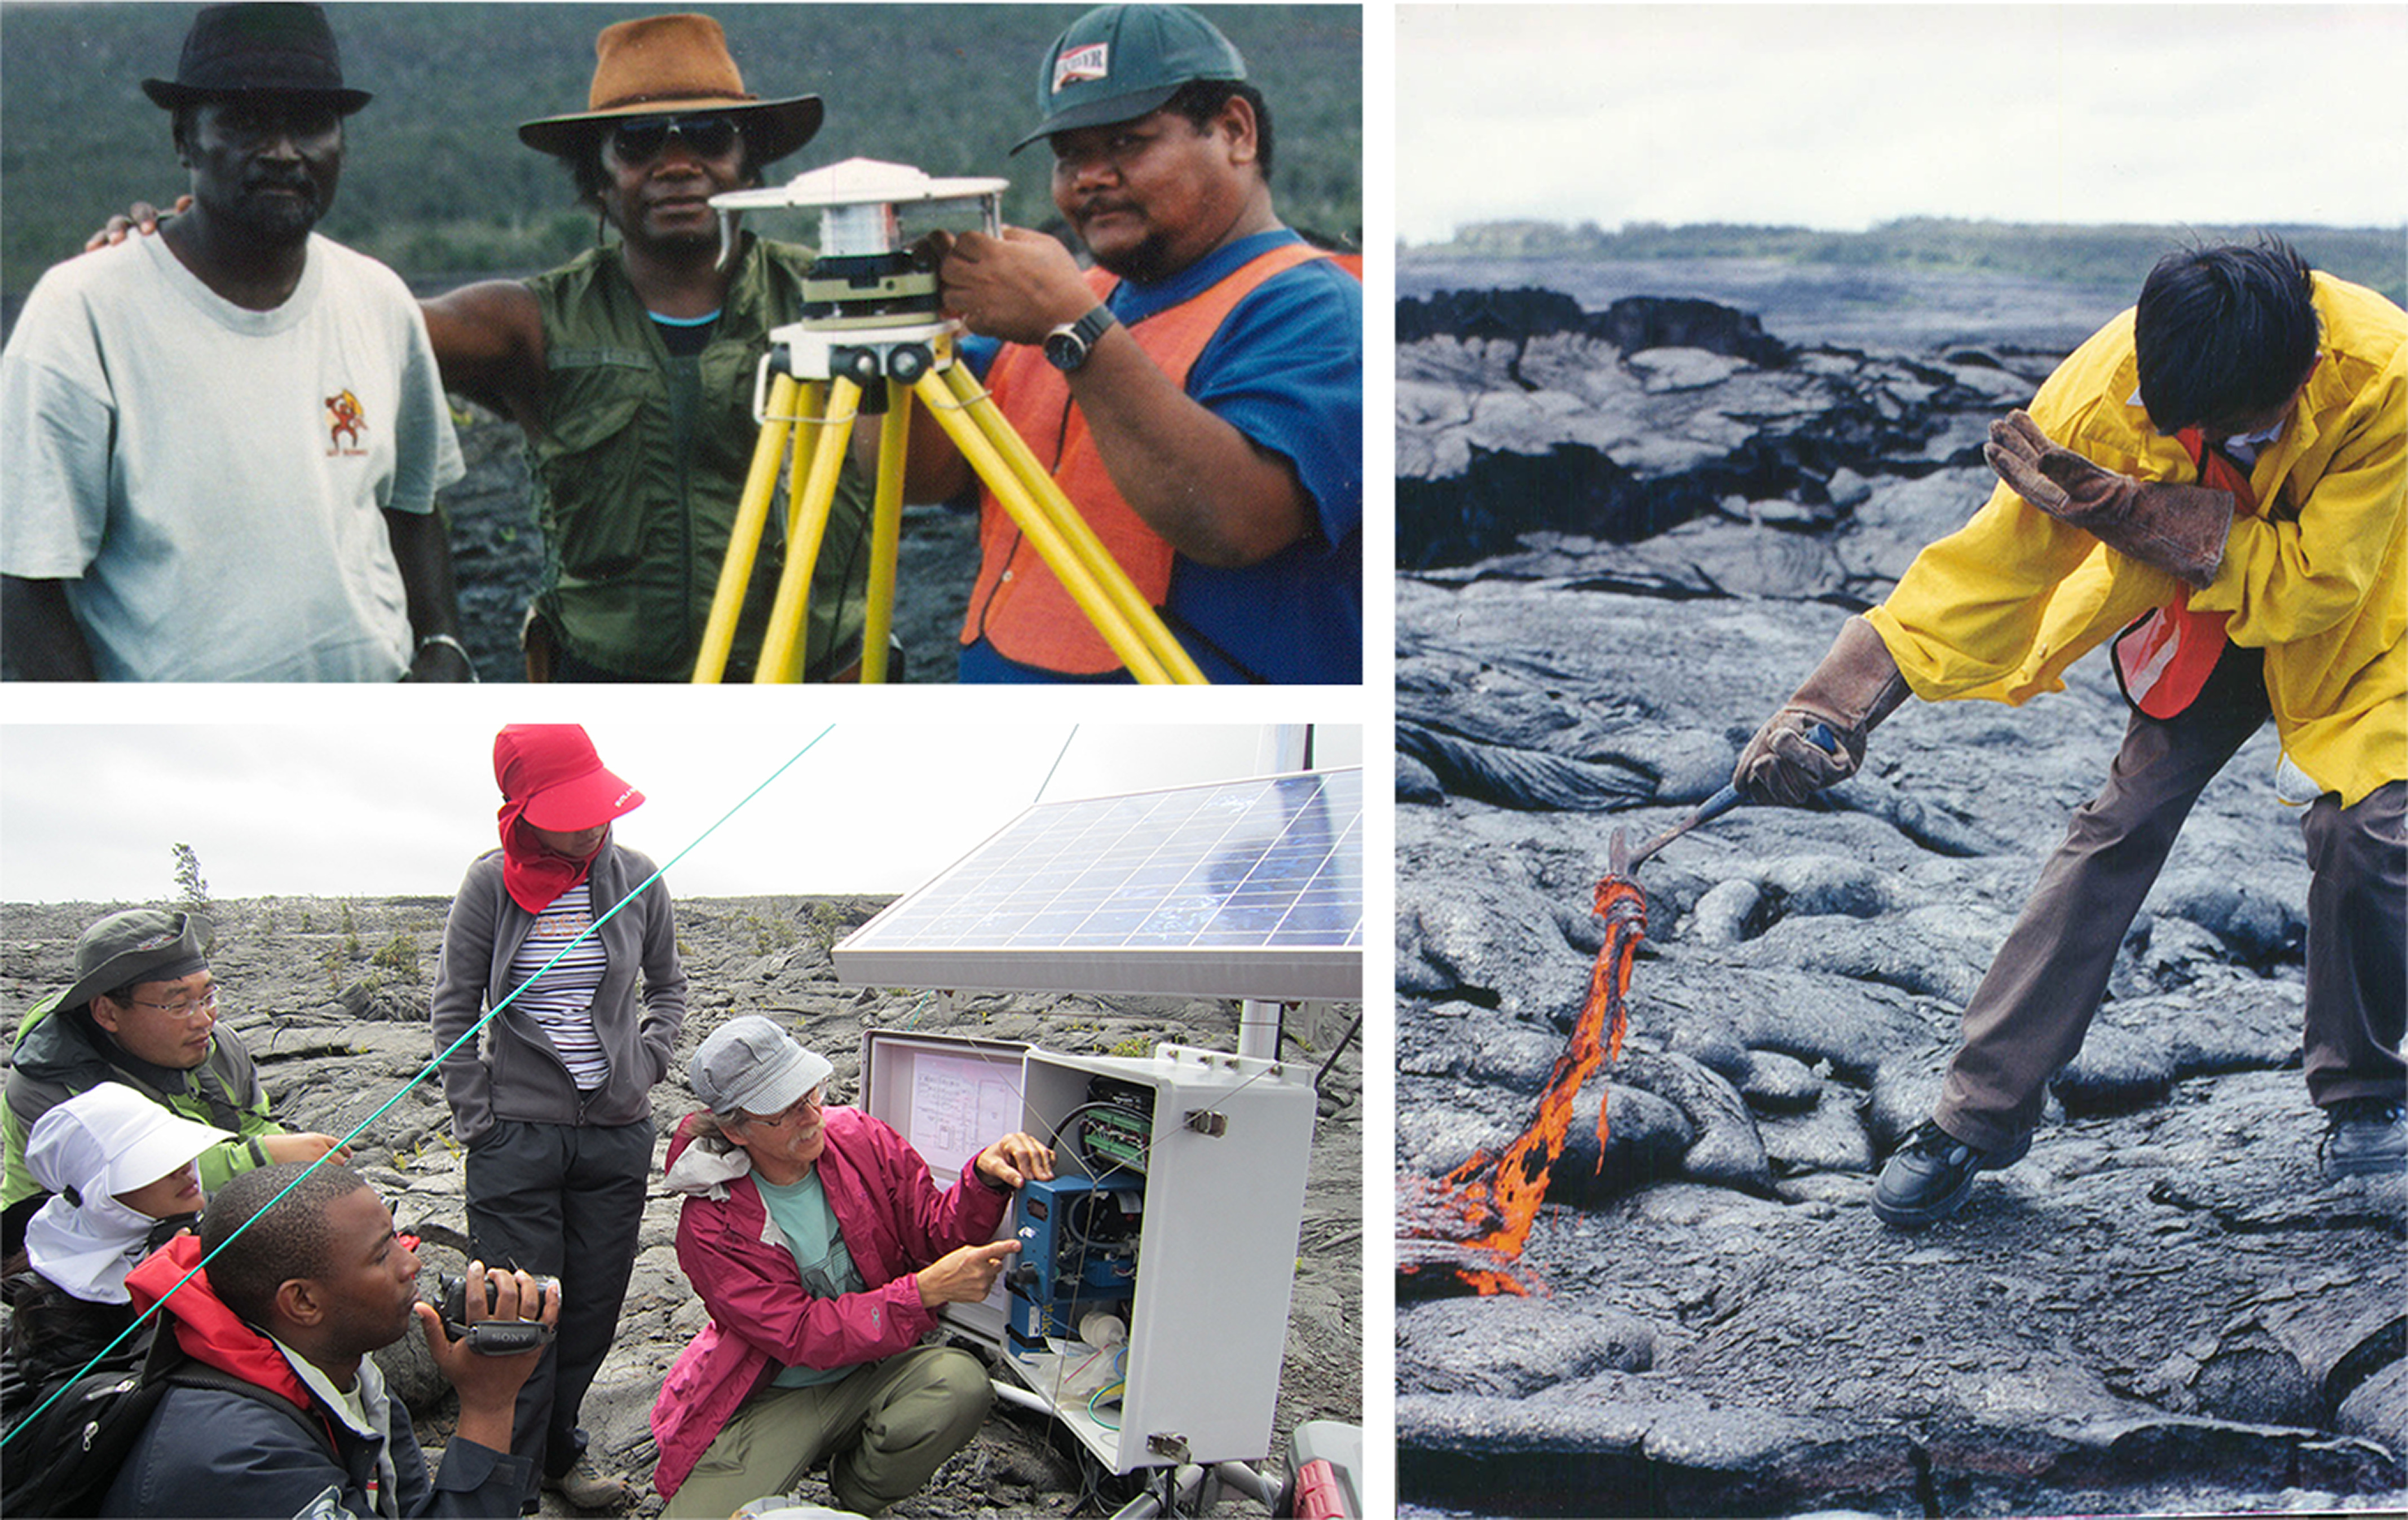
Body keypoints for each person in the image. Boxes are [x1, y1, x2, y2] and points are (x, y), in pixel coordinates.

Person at [1734, 237, 2405, 1227]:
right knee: (2117, 826)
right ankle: (1976, 1116)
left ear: (2304, 375)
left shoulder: (2385, 374)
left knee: (2367, 836)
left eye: (2231, 428)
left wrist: (2163, 519)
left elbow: (2323, 582)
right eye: (2187, 428)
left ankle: (2365, 1095)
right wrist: (1840, 697)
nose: (2203, 436)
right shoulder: (2113, 391)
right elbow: (1989, 565)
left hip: (2364, 620)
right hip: (2203, 620)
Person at [1, 2, 470, 682]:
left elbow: (416, 505)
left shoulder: (378, 300)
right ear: (183, 140)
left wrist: (445, 647)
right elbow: (27, 579)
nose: (283, 152)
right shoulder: (81, 315)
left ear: (343, 141)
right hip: (192, 755)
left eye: (311, 123)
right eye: (246, 121)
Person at [909, 2, 1362, 684]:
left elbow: (1232, 522)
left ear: (1235, 132)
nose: (1090, 177)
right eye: (1070, 156)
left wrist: (1075, 331)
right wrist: (896, 340)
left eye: (1127, 143)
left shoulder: (1314, 308)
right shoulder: (1063, 295)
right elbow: (924, 475)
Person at [422, 12, 875, 682]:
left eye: (708, 137)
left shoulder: (831, 301)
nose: (677, 165)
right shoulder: (529, 322)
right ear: (599, 178)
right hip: (610, 690)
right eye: (637, 143)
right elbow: (377, 325)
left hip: (815, 679)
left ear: (750, 165)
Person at [650, 1016, 1052, 1517]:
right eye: (786, 1109)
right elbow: (799, 1332)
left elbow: (932, 1231)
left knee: (960, 1384)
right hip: (774, 1392)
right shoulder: (711, 1220)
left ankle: (860, 1491)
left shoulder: (859, 1138)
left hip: (869, 1373)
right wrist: (920, 1293)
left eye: (810, 1093)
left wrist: (985, 1178)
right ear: (736, 1129)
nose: (811, 1115)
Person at [430, 723, 686, 1509]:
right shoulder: (489, 884)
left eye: (594, 807)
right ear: (520, 808)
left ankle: (555, 1454)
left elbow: (668, 988)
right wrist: (481, 1118)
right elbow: (454, 1009)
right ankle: (502, 1487)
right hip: (517, 1139)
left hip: (614, 1134)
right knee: (518, 1321)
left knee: (590, 1313)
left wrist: (644, 1066)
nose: (587, 825)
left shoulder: (637, 875)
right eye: (565, 811)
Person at [99, 1161, 556, 1517]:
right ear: (302, 1302)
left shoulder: (342, 1368)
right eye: (381, 1254)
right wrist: (489, 1405)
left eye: (397, 1236)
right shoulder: (245, 1462)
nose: (411, 1264)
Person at [3, 907, 348, 1261]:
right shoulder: (49, 1085)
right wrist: (261, 1158)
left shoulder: (219, 1046)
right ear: (107, 1012)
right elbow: (133, 1186)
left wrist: (297, 1151)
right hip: (62, 1246)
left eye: (208, 997)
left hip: (193, 1205)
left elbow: (247, 1122)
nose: (203, 1020)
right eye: (178, 1004)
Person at [0, 1085, 227, 1424]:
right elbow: (102, 1414)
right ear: (101, 1194)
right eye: (152, 1163)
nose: (183, 1168)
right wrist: (165, 1289)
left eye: (176, 1149)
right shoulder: (54, 1305)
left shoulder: (209, 1221)